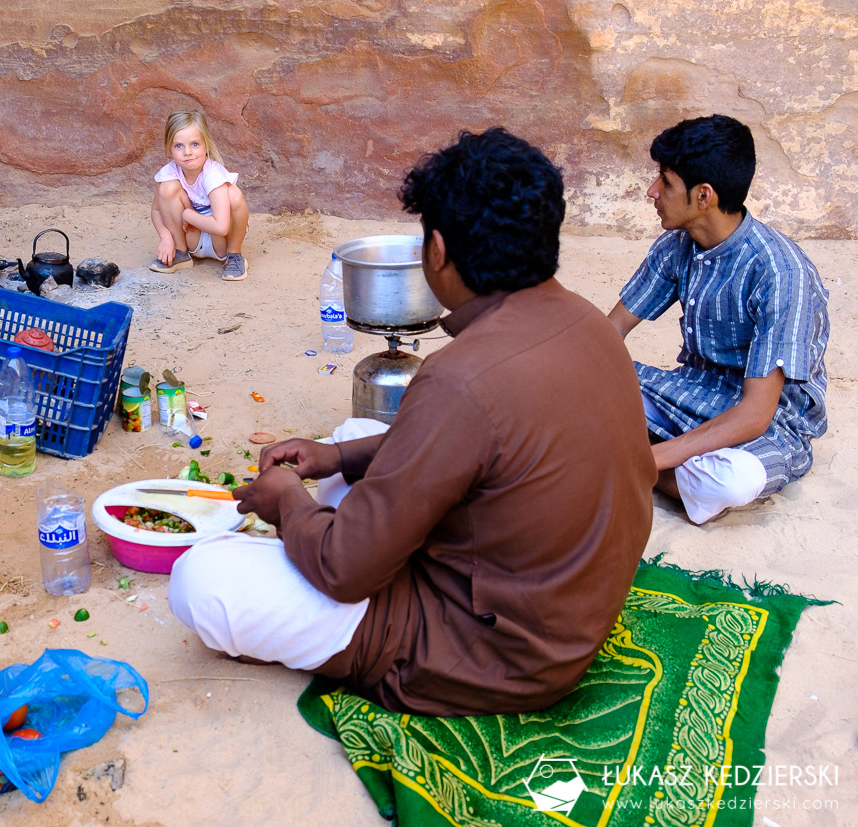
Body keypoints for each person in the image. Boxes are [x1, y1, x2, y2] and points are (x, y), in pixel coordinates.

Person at [168, 128, 657, 718]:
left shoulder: (460, 378)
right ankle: (341, 476)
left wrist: (289, 502)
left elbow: (345, 571)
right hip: (562, 618)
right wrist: (338, 459)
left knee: (201, 579)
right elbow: (479, 446)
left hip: (486, 655)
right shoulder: (589, 323)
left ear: (439, 252)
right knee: (351, 439)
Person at [608, 115, 829, 525]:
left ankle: (632, 461)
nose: (651, 192)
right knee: (584, 386)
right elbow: (610, 334)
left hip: (767, 422)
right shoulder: (676, 246)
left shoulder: (780, 273)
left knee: (731, 481)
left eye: (666, 182)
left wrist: (645, 458)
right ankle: (657, 469)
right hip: (690, 392)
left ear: (704, 195)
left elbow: (755, 413)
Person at [149, 110, 250, 281]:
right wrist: (166, 237)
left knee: (234, 195)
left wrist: (187, 214)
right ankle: (180, 252)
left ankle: (234, 255)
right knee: (167, 189)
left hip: (221, 242)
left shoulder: (212, 174)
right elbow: (157, 210)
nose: (187, 152)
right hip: (192, 237)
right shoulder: (169, 173)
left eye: (195, 144)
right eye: (179, 146)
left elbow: (221, 227)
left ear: (206, 145)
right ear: (169, 148)